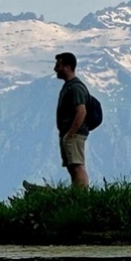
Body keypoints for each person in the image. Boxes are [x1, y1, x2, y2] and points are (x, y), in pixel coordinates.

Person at [54, 52, 91, 188]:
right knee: (72, 166)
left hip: (74, 133)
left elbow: (81, 111)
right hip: (69, 133)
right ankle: (77, 192)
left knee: (77, 165)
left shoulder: (75, 87)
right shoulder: (69, 86)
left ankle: (82, 196)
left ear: (67, 67)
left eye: (58, 65)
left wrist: (71, 133)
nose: (55, 69)